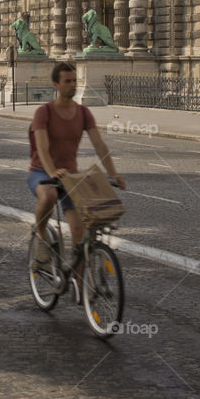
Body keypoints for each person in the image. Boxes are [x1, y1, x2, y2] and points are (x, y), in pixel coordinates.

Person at [28, 61, 125, 274]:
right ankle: (41, 235)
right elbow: (42, 148)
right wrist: (52, 172)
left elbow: (100, 145)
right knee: (49, 196)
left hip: (70, 176)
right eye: (67, 81)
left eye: (75, 81)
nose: (73, 85)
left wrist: (113, 173)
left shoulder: (83, 113)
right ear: (56, 84)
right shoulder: (43, 112)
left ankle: (81, 286)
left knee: (80, 231)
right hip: (41, 172)